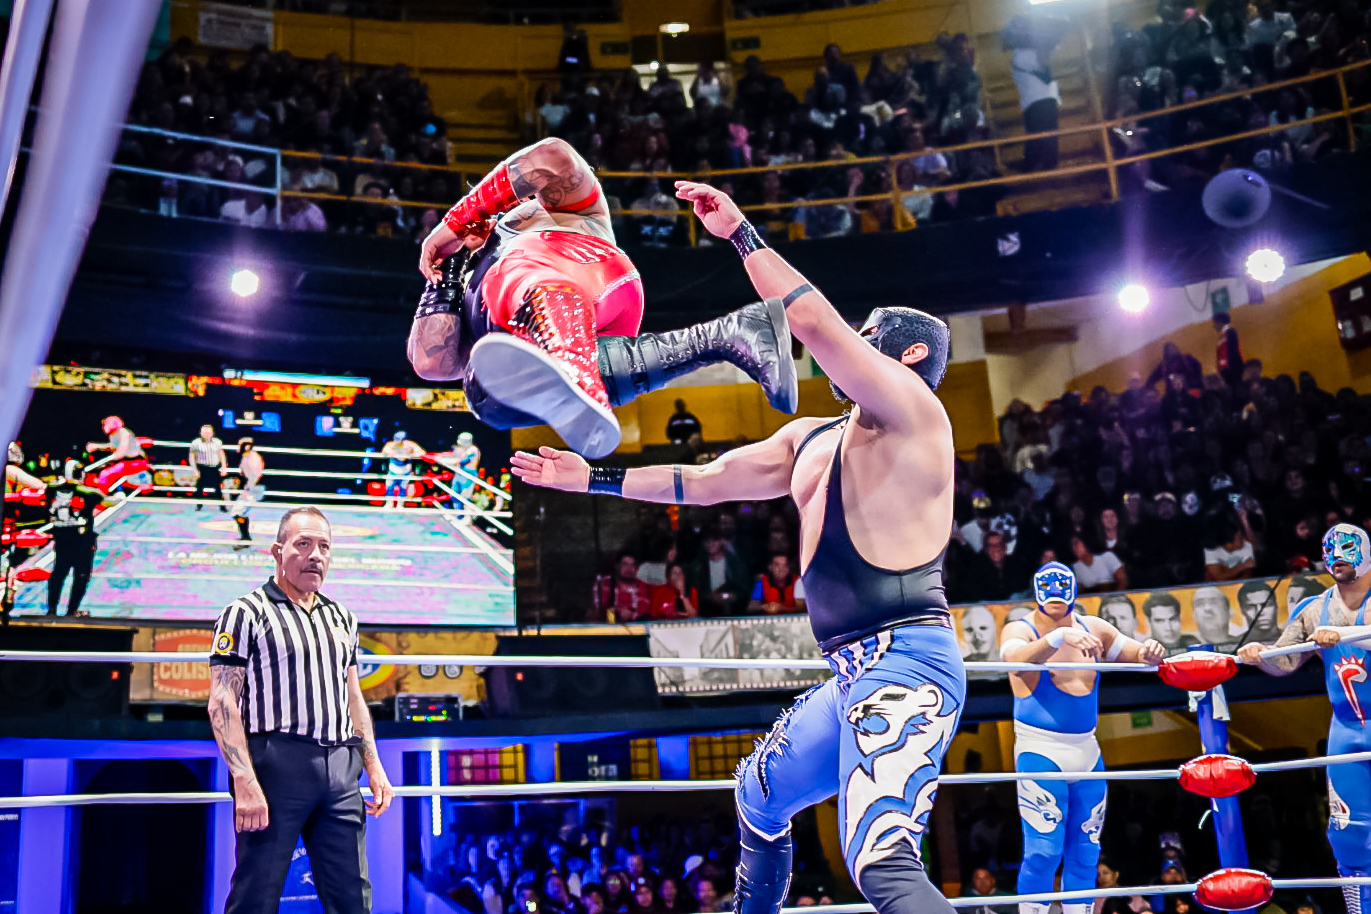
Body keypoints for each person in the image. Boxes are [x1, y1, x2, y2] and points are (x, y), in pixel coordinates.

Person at [511, 179, 965, 914]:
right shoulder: (810, 438)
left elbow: (809, 320)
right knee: (757, 795)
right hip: (850, 670)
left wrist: (740, 234)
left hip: (908, 660)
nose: (853, 341)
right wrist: (590, 477)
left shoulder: (917, 412)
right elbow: (703, 482)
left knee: (879, 863)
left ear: (909, 353)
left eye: (868, 334)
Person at [411, 138, 797, 458]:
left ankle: (574, 370)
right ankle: (729, 335)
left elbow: (553, 156)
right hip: (587, 337)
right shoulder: (471, 291)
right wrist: (448, 265)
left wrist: (454, 225)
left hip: (589, 275)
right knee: (483, 392)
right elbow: (431, 362)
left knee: (513, 271)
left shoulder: (539, 213)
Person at [208, 506, 394, 914]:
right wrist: (244, 779)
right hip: (275, 764)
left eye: (324, 547)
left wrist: (375, 766)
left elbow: (353, 697)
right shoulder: (245, 612)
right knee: (255, 895)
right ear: (278, 551)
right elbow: (222, 700)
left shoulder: (342, 617)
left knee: (353, 898)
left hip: (341, 768)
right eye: (303, 544)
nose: (315, 556)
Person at [1001, 563, 1166, 914]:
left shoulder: (1095, 628)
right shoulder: (1021, 628)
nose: (1055, 599)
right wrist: (1057, 638)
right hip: (1039, 748)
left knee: (1086, 851)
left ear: (1074, 594)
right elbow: (1013, 660)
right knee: (1043, 851)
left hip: (1087, 749)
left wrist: (1149, 650)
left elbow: (1136, 653)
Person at [1237, 523, 1371, 914]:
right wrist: (1259, 656)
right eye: (1330, 550)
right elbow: (1286, 661)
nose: (1337, 557)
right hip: (1347, 730)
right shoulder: (1314, 610)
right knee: (1348, 835)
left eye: (1347, 549)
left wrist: (1346, 635)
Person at [45, 459, 109, 618]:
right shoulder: (87, 492)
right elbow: (105, 499)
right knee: (81, 574)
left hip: (61, 538)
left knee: (59, 572)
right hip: (82, 540)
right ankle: (71, 610)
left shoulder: (52, 490)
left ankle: (51, 610)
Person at [85, 416, 149, 492]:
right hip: (127, 463)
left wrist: (107, 459)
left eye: (105, 424)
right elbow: (114, 447)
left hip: (135, 462)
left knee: (105, 474)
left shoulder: (123, 432)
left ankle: (100, 494)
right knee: (100, 472)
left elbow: (121, 452)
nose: (104, 427)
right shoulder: (114, 434)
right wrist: (97, 446)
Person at [232, 438, 266, 544]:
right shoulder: (246, 456)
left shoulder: (253, 458)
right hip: (250, 487)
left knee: (237, 512)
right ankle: (245, 537)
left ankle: (245, 537)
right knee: (238, 512)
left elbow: (256, 475)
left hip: (254, 488)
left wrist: (248, 489)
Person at [189, 423, 230, 511]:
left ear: (212, 433)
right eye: (204, 432)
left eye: (208, 432)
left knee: (218, 488)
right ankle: (199, 505)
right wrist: (195, 470)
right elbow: (192, 457)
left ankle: (222, 506)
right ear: (200, 433)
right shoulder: (196, 443)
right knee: (200, 487)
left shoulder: (218, 442)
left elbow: (222, 455)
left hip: (214, 468)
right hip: (202, 467)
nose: (206, 434)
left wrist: (224, 468)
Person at [381, 431, 425, 509]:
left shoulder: (410, 445)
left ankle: (400, 505)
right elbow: (384, 451)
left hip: (405, 471)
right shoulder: (391, 444)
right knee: (390, 487)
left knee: (403, 488)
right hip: (393, 470)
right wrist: (394, 454)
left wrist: (412, 455)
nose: (397, 441)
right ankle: (389, 504)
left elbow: (422, 452)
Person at [1192, 587, 1240, 651]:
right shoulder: (1184, 647)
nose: (1207, 608)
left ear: (1230, 613)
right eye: (1200, 604)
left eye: (1214, 603)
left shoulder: (1244, 644)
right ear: (1194, 616)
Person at [1214, 312, 1245, 390]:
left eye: (1215, 323)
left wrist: (1230, 369)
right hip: (1225, 371)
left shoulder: (1230, 332)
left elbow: (1232, 351)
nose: (1214, 325)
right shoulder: (1221, 337)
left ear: (1221, 322)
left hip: (1232, 370)